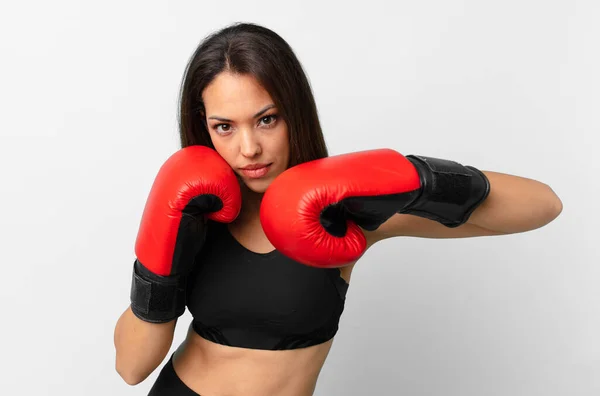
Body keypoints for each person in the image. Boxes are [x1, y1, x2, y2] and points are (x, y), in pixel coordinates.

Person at [113, 22, 563, 396]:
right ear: (203, 128)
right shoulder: (194, 210)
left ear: (295, 113)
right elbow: (132, 368)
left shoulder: (345, 212)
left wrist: (414, 178)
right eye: (224, 127)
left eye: (267, 119)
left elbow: (543, 205)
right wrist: (158, 269)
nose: (248, 148)